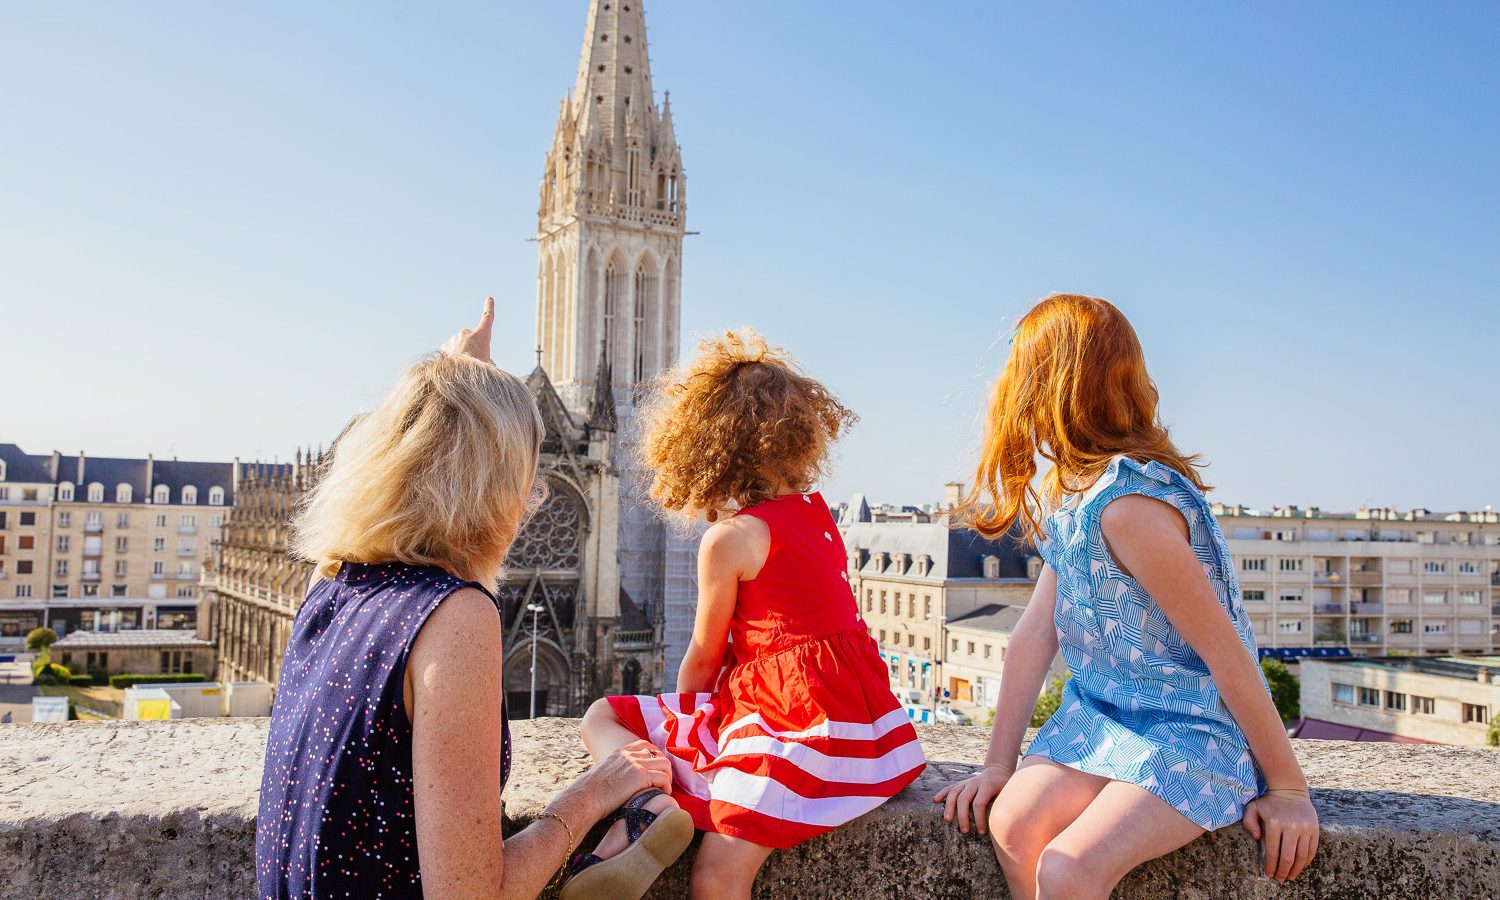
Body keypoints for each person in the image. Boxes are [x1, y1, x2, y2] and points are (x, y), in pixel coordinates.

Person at [255, 299, 675, 899]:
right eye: (524, 480)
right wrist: (591, 793)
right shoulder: (454, 616)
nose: (531, 504)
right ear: (488, 487)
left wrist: (453, 387)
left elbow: (414, 444)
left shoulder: (328, 586)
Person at [934, 295, 1319, 899]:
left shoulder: (1129, 508)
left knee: (1069, 866)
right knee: (1011, 822)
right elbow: (1036, 633)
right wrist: (996, 766)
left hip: (1192, 729)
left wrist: (1289, 790)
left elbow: (1225, 651)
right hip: (1102, 719)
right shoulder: (1078, 496)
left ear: (1041, 390)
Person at [564, 330, 927, 900]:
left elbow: (704, 656)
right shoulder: (818, 515)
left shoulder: (730, 538)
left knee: (604, 722)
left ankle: (649, 802)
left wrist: (690, 721)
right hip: (863, 721)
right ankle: (651, 810)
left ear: (705, 448)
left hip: (799, 729)